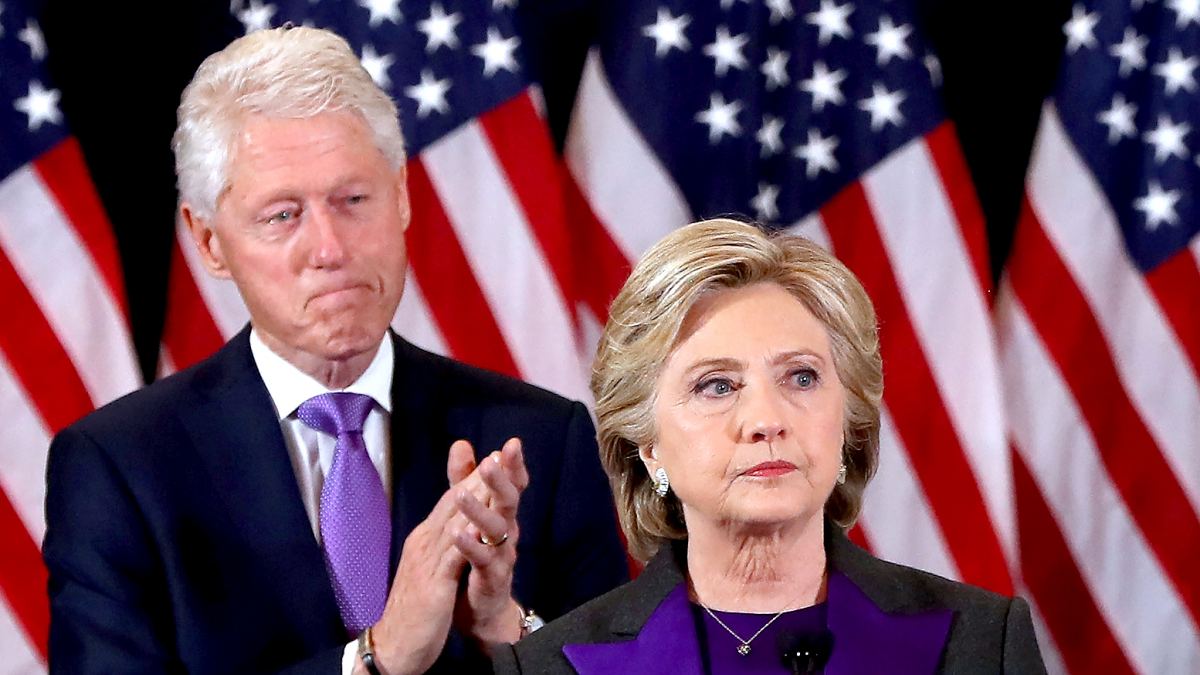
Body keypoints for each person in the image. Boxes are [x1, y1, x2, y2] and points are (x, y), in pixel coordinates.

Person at [42, 26, 627, 675]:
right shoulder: (120, 469)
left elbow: (613, 665)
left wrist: (506, 628)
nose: (330, 248)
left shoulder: (543, 439)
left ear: (400, 197)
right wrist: (376, 656)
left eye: (353, 200)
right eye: (282, 215)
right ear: (208, 242)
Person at [493, 218, 1046, 674]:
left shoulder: (981, 643)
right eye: (717, 386)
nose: (766, 420)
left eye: (801, 378)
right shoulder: (548, 666)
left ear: (847, 416)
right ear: (649, 444)